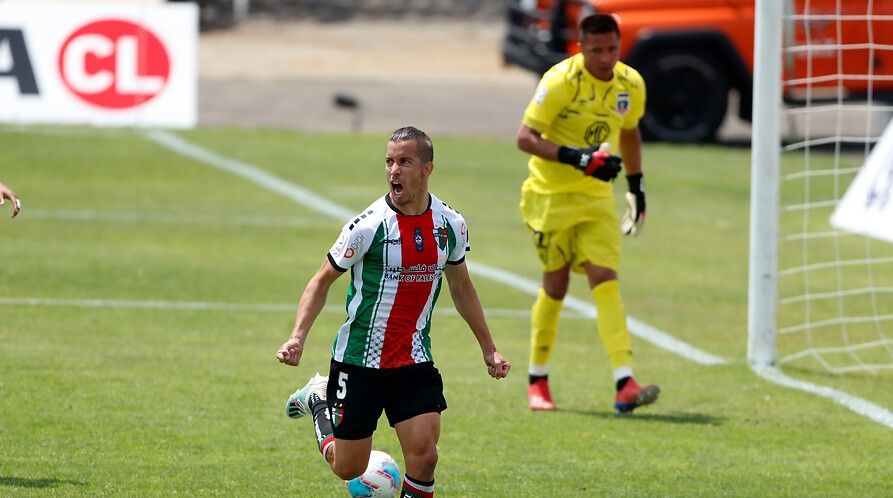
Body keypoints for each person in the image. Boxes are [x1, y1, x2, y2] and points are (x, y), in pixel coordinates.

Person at [276, 126, 511, 497]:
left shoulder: (450, 225)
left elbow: (461, 287)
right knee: (348, 466)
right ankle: (319, 399)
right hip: (359, 361)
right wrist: (297, 337)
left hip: (413, 359)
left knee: (425, 457)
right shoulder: (367, 226)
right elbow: (320, 282)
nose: (393, 171)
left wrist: (489, 348)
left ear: (427, 169)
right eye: (389, 162)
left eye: (404, 162)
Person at [515, 13, 659, 414]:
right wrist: (576, 157)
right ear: (581, 47)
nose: (605, 58)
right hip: (550, 197)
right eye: (595, 50)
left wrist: (637, 186)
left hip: (597, 197)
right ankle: (537, 379)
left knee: (605, 278)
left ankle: (624, 381)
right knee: (556, 286)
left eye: (612, 49)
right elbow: (525, 138)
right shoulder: (560, 81)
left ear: (619, 44)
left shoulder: (630, 83)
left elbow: (629, 131)